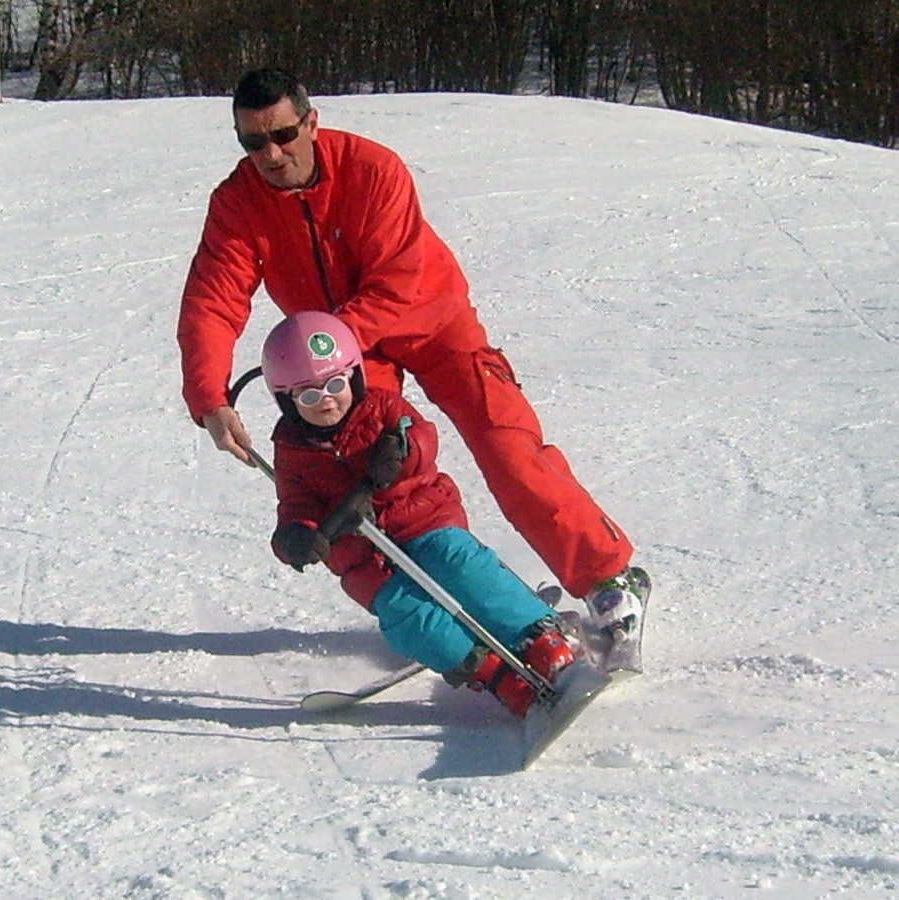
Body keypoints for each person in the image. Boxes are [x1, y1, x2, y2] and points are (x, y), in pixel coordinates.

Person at [177, 66, 645, 634]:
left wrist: (330, 350)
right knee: (363, 471)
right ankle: (464, 600)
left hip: (430, 321)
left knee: (505, 441)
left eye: (282, 135)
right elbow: (213, 300)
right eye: (254, 142)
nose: (271, 154)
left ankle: (607, 579)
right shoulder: (238, 202)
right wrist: (209, 397)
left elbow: (397, 283)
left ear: (312, 122)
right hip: (346, 356)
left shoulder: (373, 170)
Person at [261, 311, 578, 716]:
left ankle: (541, 638)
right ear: (286, 401)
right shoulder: (292, 451)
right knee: (410, 620)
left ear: (355, 377)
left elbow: (422, 435)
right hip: (365, 562)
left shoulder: (382, 408)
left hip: (424, 521)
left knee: (463, 569)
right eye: (308, 395)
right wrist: (297, 537)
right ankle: (496, 676)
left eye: (335, 384)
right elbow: (295, 506)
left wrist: (400, 452)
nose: (326, 400)